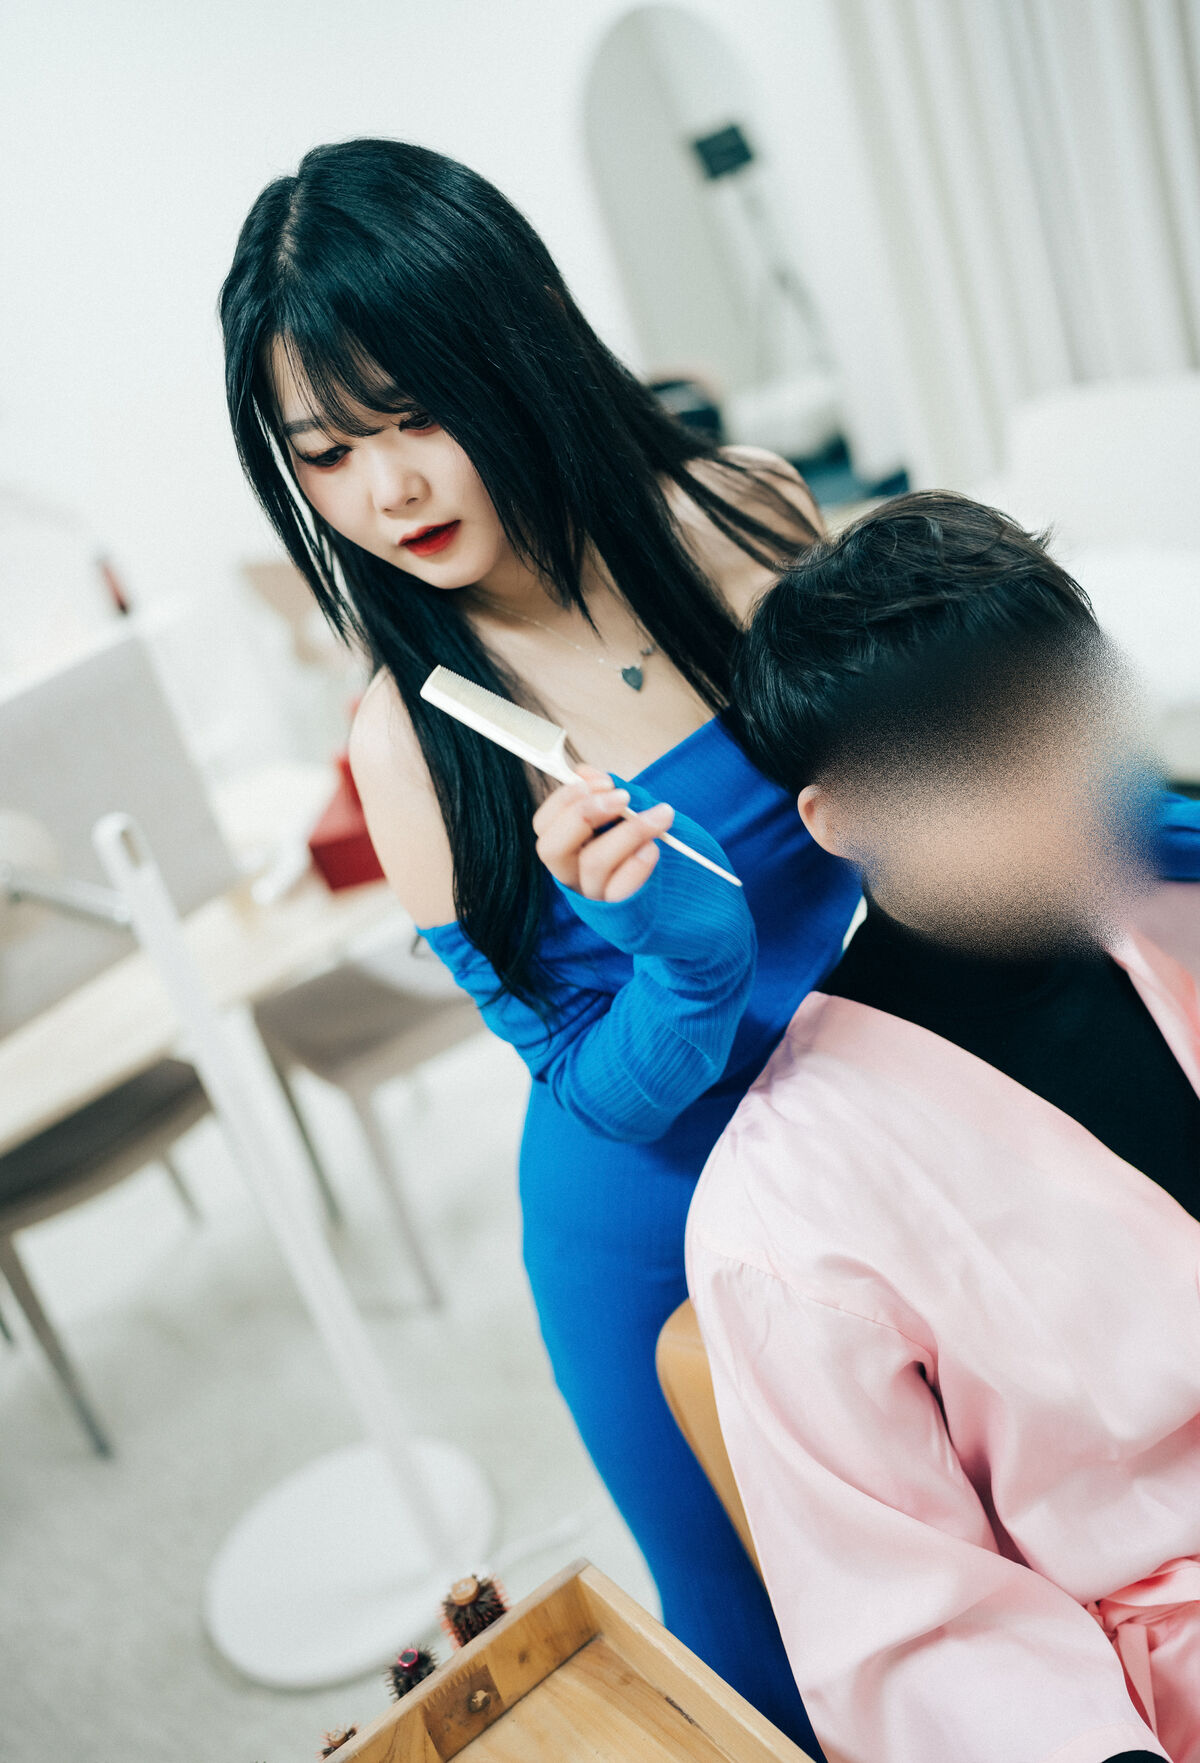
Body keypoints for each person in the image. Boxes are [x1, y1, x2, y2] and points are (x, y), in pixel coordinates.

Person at [219, 140, 1200, 1745]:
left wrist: (1149, 827)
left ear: (516, 353)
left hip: (904, 1084)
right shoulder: (415, 740)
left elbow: (941, 750)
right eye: (325, 452)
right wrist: (688, 965)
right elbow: (588, 1085)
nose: (388, 492)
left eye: (415, 416)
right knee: (787, 1651)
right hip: (658, 1199)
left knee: (1049, 1520)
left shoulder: (739, 513)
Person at [687, 492, 1200, 1763]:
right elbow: (921, 1636)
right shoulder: (788, 1206)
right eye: (984, 759)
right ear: (842, 818)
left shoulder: (1169, 916)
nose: (1070, 784)